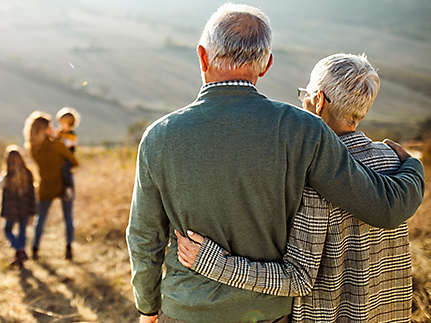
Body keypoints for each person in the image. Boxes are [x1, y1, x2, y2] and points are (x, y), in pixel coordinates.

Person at [125, 4, 424, 323]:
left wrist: (147, 307)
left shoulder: (159, 136)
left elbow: (144, 237)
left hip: (185, 309)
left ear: (202, 56)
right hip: (268, 312)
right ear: (266, 64)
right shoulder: (303, 129)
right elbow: (381, 206)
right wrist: (412, 169)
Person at [176, 53, 417, 322]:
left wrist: (213, 262)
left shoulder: (313, 175)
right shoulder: (393, 159)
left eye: (305, 94)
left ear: (318, 102)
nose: (302, 100)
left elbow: (298, 279)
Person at [24, 111, 79, 260]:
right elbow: (74, 161)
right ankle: (68, 248)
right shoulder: (57, 145)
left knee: (40, 219)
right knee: (68, 217)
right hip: (64, 183)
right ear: (45, 129)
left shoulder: (33, 148)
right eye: (50, 126)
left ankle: (35, 249)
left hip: (45, 185)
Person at [0, 145, 36, 267]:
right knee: (22, 232)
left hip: (12, 211)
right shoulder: (28, 174)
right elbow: (33, 193)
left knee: (7, 230)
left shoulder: (7, 176)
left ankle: (19, 251)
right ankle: (20, 252)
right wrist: (33, 209)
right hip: (25, 209)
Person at [55, 107, 81, 201]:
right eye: (60, 123)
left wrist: (60, 141)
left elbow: (69, 144)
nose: (60, 125)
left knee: (65, 170)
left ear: (70, 124)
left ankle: (67, 188)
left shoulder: (72, 135)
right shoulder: (59, 133)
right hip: (59, 157)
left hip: (68, 158)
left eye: (63, 123)